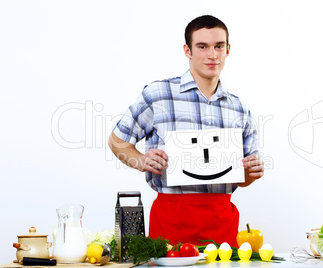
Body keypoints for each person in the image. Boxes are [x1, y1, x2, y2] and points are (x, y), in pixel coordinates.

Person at [108, 15, 264, 247]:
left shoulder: (239, 108)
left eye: (218, 46)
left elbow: (243, 178)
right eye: (202, 47)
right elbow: (116, 141)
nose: (212, 55)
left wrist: (252, 172)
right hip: (171, 217)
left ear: (228, 49)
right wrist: (141, 161)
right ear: (187, 50)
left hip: (222, 220)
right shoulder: (158, 94)